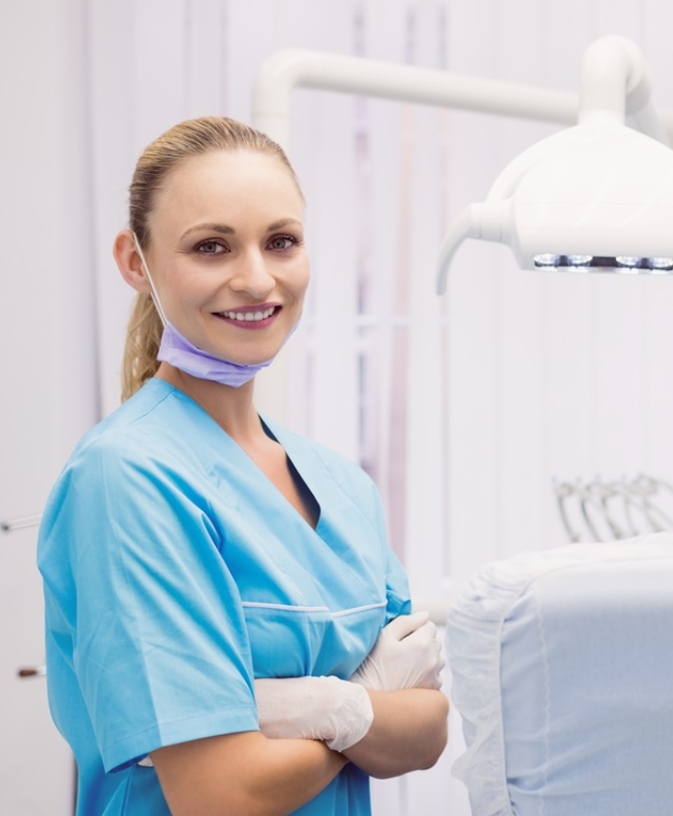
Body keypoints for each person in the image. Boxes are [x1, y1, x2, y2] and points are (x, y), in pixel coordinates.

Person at [38, 116, 449, 816]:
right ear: (136, 263)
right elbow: (221, 790)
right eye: (211, 247)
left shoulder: (342, 485)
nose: (257, 278)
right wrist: (361, 706)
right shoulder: (129, 477)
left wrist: (323, 707)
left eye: (280, 242)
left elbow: (428, 732)